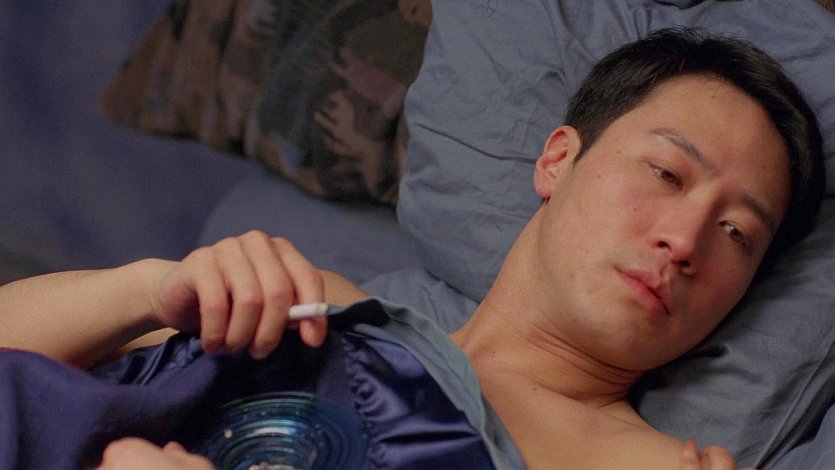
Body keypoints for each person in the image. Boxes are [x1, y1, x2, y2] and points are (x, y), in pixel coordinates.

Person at [0, 28, 824, 469]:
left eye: (736, 234)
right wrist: (149, 290)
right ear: (556, 161)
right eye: (665, 172)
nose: (683, 240)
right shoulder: (312, 303)